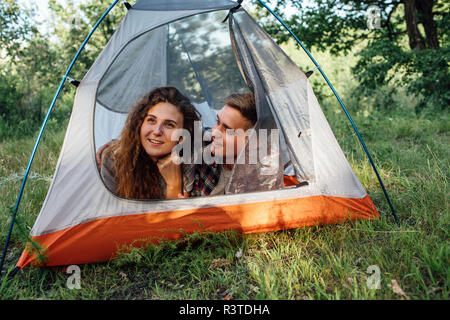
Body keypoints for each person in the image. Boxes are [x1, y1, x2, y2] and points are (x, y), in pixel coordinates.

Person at [99, 86, 200, 200]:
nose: (157, 131)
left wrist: (174, 184)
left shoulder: (187, 157)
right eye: (151, 120)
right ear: (139, 124)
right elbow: (114, 213)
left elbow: (177, 215)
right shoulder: (114, 159)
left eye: (169, 125)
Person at [190, 92, 283, 197]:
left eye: (227, 129)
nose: (214, 132)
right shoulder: (204, 151)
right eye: (217, 121)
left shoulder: (263, 177)